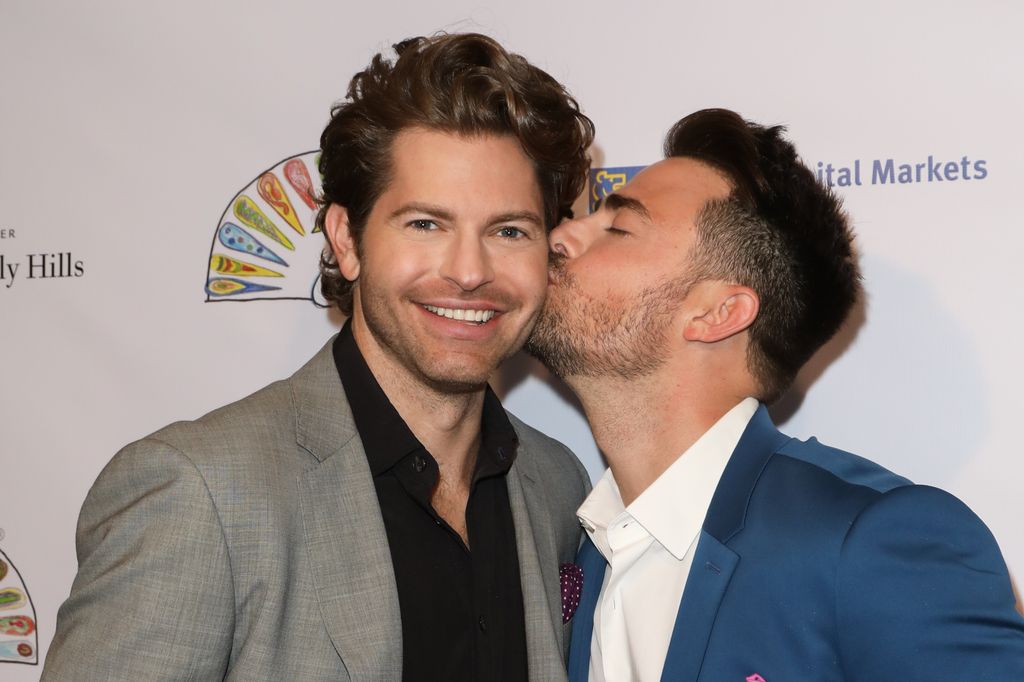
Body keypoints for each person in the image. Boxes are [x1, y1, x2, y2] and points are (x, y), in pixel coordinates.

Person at [43, 33, 594, 682]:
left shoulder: (557, 486)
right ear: (347, 240)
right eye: (425, 224)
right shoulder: (201, 495)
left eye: (508, 231)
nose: (469, 272)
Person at [527, 108, 1024, 681]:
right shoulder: (572, 543)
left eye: (618, 227)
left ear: (717, 313)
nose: (559, 235)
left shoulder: (880, 543)